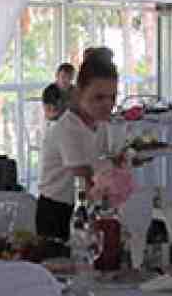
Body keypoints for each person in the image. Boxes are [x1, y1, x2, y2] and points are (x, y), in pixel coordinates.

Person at [37, 53, 121, 241]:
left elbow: (102, 160)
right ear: (79, 93)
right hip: (57, 210)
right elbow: (84, 174)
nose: (107, 104)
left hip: (84, 205)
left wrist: (123, 159)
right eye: (99, 97)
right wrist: (118, 165)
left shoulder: (99, 124)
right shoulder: (68, 127)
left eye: (113, 97)